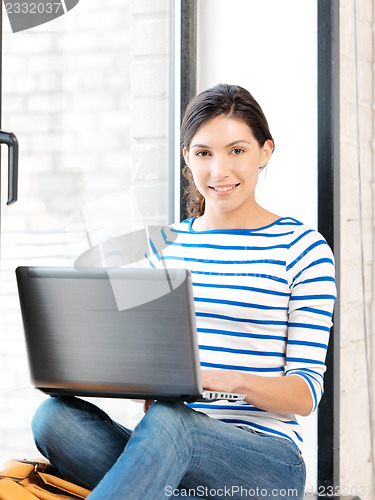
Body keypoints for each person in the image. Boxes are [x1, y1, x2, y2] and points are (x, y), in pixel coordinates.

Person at [31, 84, 336, 499]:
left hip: (266, 462)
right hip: (167, 443)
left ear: (265, 152)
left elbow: (303, 395)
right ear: (187, 160)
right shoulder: (167, 246)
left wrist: (220, 381)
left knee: (171, 422)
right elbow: (149, 367)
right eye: (203, 153)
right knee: (53, 418)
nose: (219, 171)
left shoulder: (302, 248)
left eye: (237, 151)